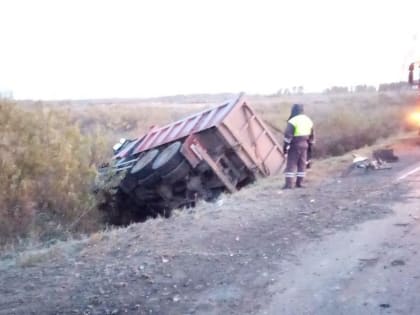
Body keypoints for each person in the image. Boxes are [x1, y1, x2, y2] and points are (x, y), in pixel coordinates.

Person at [282, 104, 315, 189]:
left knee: (291, 165)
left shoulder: (293, 121)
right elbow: (312, 135)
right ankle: (299, 183)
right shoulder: (308, 120)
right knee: (302, 164)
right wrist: (310, 147)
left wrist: (285, 148)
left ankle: (289, 184)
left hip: (295, 145)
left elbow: (287, 136)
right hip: (305, 145)